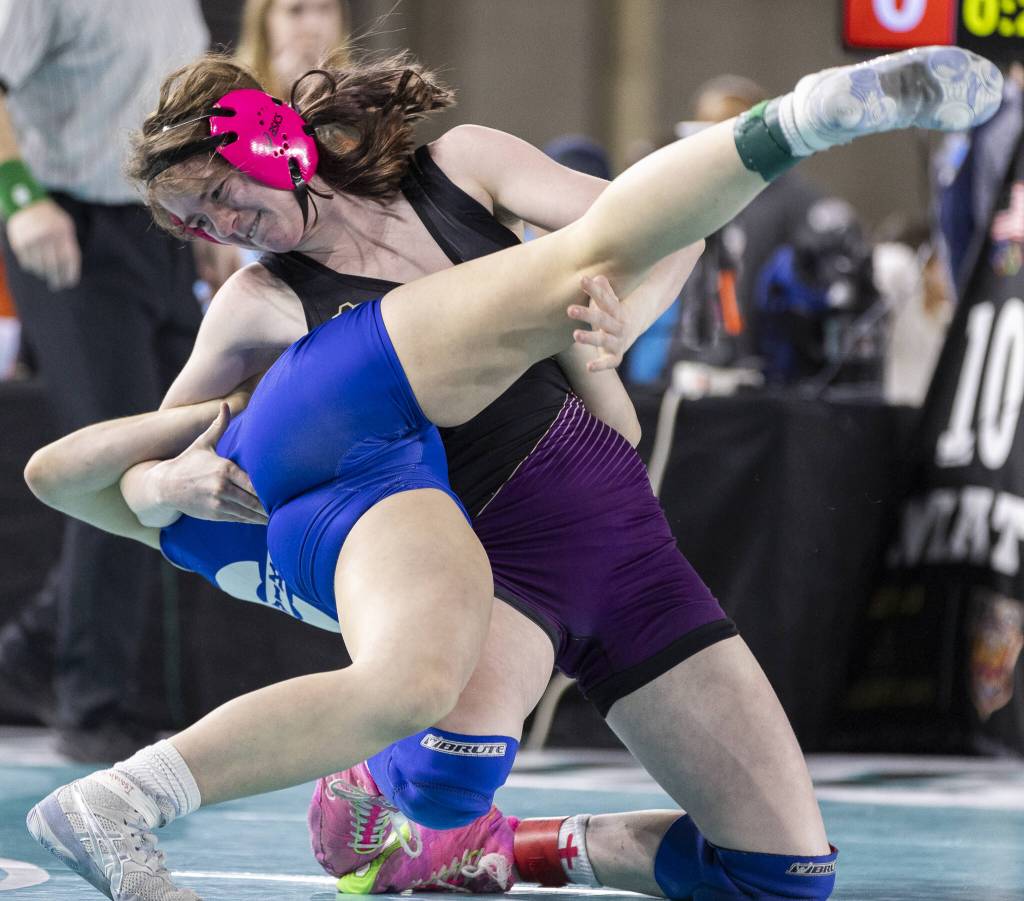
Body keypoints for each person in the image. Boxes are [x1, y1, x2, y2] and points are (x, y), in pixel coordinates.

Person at [25, 44, 1002, 901]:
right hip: (486, 547)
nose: (221, 224)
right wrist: (168, 487)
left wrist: (619, 330)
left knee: (783, 874)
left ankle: (511, 850)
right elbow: (152, 450)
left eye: (218, 193)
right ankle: (803, 115)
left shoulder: (456, 165)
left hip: (614, 533)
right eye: (196, 222)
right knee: (446, 766)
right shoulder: (257, 300)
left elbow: (659, 233)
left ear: (263, 140)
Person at [0, 0, 210, 761]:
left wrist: (208, 220)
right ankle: (91, 704)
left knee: (202, 431)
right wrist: (17, 197)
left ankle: (31, 653)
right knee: (120, 459)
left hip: (159, 233)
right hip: (68, 229)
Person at [235, 0, 350, 101]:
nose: (312, 26)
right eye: (295, 10)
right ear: (263, 20)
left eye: (325, 8)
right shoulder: (234, 89)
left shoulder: (357, 96)